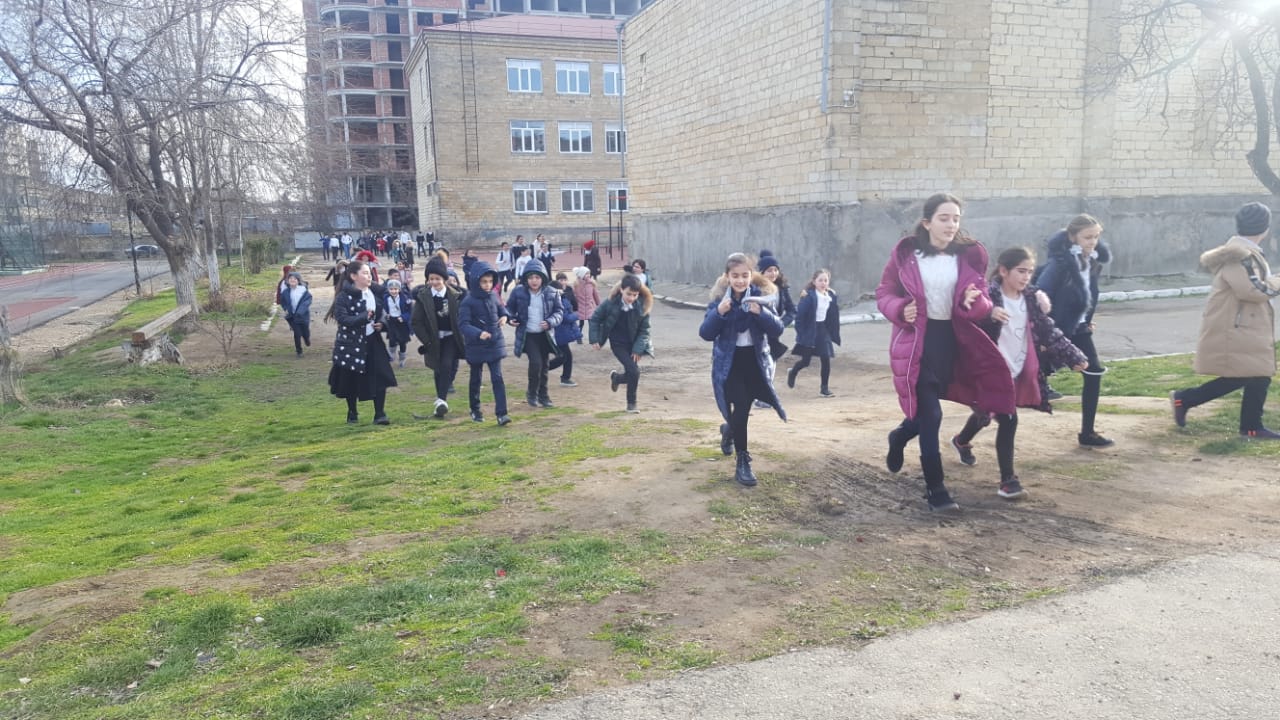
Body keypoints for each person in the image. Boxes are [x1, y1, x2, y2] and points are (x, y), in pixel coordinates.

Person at [876, 192, 1005, 512]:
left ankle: (899, 436)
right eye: (944, 218)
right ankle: (936, 489)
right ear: (927, 222)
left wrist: (975, 303)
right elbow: (885, 292)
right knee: (932, 415)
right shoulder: (907, 256)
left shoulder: (968, 257)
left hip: (952, 342)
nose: (951, 225)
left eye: (956, 219)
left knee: (924, 413)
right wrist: (900, 308)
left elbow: (983, 301)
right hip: (917, 341)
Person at [950, 247, 1087, 499]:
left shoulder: (1032, 300)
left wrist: (1073, 356)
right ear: (1003, 271)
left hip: (1016, 369)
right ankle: (1008, 481)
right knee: (1008, 419)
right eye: (1021, 271)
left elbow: (1049, 332)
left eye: (1030, 272)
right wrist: (987, 312)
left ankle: (961, 440)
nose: (1026, 277)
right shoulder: (986, 296)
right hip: (988, 371)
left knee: (985, 414)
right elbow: (965, 320)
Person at [1171, 202, 1280, 439]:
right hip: (1237, 326)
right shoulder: (1239, 255)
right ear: (1266, 228)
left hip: (1244, 324)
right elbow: (1254, 290)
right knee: (1247, 374)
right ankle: (1186, 399)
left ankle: (1251, 426)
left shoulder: (1243, 251)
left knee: (1258, 373)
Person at [699, 252, 787, 487]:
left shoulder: (762, 298)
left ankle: (729, 431)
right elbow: (705, 333)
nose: (740, 280)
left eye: (745, 275)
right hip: (729, 363)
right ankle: (743, 460)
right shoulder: (720, 300)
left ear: (751, 275)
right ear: (727, 276)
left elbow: (778, 329)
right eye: (735, 276)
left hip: (754, 362)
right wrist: (719, 313)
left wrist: (762, 313)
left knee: (742, 409)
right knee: (740, 405)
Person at [1036, 214, 1115, 448]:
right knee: (1022, 380)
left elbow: (1089, 295)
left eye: (1096, 237)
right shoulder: (1060, 264)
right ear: (1073, 237)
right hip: (1054, 330)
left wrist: (1086, 320)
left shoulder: (1092, 261)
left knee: (1094, 372)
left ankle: (1087, 433)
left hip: (1078, 329)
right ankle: (972, 428)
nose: (1093, 242)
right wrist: (1043, 334)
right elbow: (1039, 296)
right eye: (1087, 237)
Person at [326, 260, 397, 425]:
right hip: (351, 343)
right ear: (353, 276)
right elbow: (343, 319)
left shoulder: (375, 292)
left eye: (369, 273)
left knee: (380, 375)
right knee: (350, 378)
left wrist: (382, 324)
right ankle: (352, 412)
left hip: (373, 341)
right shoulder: (344, 296)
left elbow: (383, 313)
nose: (369, 276)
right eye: (365, 273)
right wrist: (364, 317)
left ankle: (380, 413)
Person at [591, 273, 654, 414]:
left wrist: (638, 349)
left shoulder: (642, 306)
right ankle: (632, 404)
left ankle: (617, 378)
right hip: (618, 343)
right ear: (621, 290)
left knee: (632, 372)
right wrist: (595, 339)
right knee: (634, 371)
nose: (631, 298)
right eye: (628, 294)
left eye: (635, 295)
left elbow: (645, 330)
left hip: (634, 344)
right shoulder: (610, 303)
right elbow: (595, 318)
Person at [506, 258, 564, 408]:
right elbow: (509, 308)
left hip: (545, 335)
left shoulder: (552, 292)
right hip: (529, 334)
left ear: (543, 278)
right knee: (536, 363)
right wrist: (510, 319)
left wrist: (550, 321)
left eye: (537, 277)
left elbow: (559, 312)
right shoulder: (518, 291)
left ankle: (544, 395)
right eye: (531, 277)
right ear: (526, 278)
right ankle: (532, 392)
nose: (534, 281)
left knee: (544, 366)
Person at [458, 261, 512, 425]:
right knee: (476, 378)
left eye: (490, 281)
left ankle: (502, 413)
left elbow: (502, 309)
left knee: (497, 378)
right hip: (476, 345)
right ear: (476, 282)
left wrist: (505, 317)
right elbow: (463, 324)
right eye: (484, 282)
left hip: (494, 343)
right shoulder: (468, 301)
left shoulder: (494, 295)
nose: (488, 285)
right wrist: (478, 333)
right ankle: (475, 409)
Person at [412, 256, 465, 418]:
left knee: (447, 364)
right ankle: (440, 402)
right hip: (432, 339)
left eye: (437, 278)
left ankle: (441, 400)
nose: (434, 282)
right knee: (438, 367)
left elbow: (462, 316)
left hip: (451, 337)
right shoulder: (423, 296)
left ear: (444, 279)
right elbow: (416, 321)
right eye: (431, 279)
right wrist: (426, 340)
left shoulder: (455, 295)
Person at [787, 269, 841, 397]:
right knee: (806, 361)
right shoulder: (809, 296)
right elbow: (799, 317)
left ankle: (824, 388)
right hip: (810, 330)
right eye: (820, 280)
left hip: (823, 329)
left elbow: (833, 314)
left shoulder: (830, 295)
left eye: (826, 280)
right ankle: (793, 371)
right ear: (814, 281)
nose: (823, 283)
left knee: (826, 358)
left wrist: (832, 330)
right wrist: (801, 333)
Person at [757, 250, 796, 361]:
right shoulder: (755, 288)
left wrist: (781, 324)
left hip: (774, 334)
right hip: (758, 335)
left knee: (771, 364)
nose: (773, 273)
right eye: (769, 270)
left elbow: (792, 310)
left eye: (775, 270)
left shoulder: (782, 288)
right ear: (761, 272)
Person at [548, 272, 582, 387]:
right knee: (563, 357)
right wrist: (577, 315)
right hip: (558, 333)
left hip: (562, 333)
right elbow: (565, 318)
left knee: (566, 356)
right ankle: (541, 368)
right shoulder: (557, 301)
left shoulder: (563, 298)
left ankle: (565, 378)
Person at [281, 271, 312, 357]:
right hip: (293, 317)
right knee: (297, 333)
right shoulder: (285, 292)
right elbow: (283, 302)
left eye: (294, 279)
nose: (292, 280)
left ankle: (306, 339)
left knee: (305, 332)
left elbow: (307, 301)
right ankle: (299, 351)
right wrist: (286, 309)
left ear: (298, 280)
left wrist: (300, 311)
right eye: (290, 278)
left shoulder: (303, 290)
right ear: (288, 281)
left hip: (303, 316)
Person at [383, 279, 412, 368]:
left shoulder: (405, 298)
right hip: (392, 321)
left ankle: (402, 358)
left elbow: (410, 311)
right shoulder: (386, 298)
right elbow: (384, 308)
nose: (393, 291)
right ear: (388, 289)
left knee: (402, 342)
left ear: (399, 289)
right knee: (392, 339)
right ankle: (391, 354)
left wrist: (403, 317)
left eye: (395, 289)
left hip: (401, 322)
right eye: (391, 289)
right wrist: (386, 315)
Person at [573, 265, 600, 338]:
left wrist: (598, 304)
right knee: (581, 323)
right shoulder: (576, 284)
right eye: (586, 274)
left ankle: (592, 338)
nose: (588, 275)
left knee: (591, 323)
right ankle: (578, 336)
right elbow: (574, 296)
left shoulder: (591, 283)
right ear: (582, 275)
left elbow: (596, 294)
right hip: (580, 307)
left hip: (589, 306)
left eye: (589, 273)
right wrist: (574, 306)